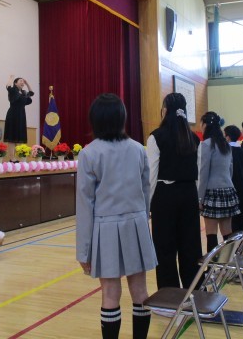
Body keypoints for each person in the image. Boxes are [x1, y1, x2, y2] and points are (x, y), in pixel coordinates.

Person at [76, 93, 157, 339]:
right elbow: (146, 192)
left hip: (106, 229)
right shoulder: (138, 149)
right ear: (122, 118)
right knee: (140, 291)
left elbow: (85, 205)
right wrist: (142, 221)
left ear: (95, 120)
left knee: (110, 294)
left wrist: (83, 251)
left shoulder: (89, 154)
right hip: (136, 225)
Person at [147, 93, 202, 290]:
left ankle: (169, 294)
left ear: (165, 110)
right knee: (191, 246)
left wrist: (148, 204)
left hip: (165, 196)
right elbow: (198, 172)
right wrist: (196, 198)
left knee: (164, 249)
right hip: (189, 194)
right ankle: (194, 291)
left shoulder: (156, 136)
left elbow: (151, 175)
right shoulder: (193, 137)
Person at [198, 111, 240, 253]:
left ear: (205, 125)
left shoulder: (206, 144)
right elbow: (230, 169)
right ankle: (229, 262)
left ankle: (212, 264)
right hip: (228, 190)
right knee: (227, 232)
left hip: (212, 192)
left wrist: (199, 198)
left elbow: (203, 172)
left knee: (211, 233)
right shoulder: (226, 144)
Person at [4, 75, 34, 160]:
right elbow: (8, 86)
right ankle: (12, 157)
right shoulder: (13, 90)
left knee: (19, 136)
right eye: (20, 81)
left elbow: (31, 93)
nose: (22, 82)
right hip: (13, 115)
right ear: (15, 83)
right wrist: (11, 78)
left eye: (23, 81)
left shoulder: (24, 93)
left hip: (21, 116)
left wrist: (27, 83)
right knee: (12, 137)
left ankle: (19, 157)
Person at [224, 125, 243, 232]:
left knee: (232, 215)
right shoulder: (241, 150)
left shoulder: (227, 151)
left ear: (228, 137)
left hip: (232, 184)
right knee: (242, 210)